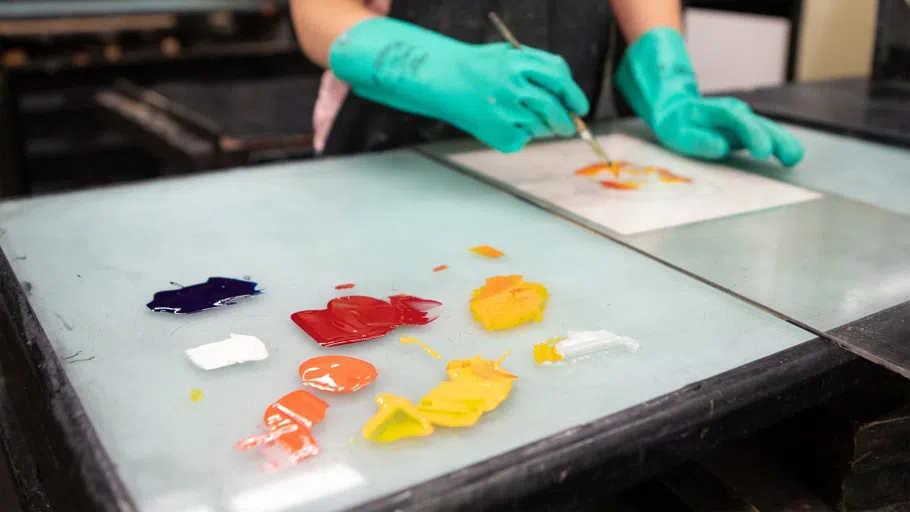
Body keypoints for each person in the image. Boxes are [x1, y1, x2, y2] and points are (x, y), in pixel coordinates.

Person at [291, 0, 804, 167]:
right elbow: (315, 14)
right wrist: (442, 68)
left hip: (563, 161)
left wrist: (668, 81)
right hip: (391, 156)